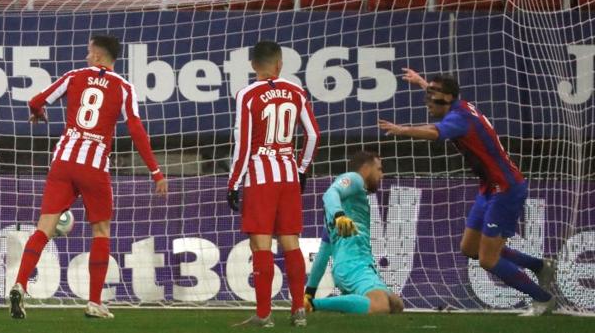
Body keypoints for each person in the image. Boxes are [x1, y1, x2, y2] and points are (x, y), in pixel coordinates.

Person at [9, 35, 168, 319]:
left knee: (43, 229)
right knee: (101, 231)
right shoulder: (124, 87)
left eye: (88, 52)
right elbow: (136, 130)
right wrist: (155, 171)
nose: (85, 57)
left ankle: (20, 283)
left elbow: (35, 100)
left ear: (97, 56)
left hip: (63, 161)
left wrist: (38, 113)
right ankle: (94, 302)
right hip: (94, 166)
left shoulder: (74, 76)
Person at [378, 68, 556, 316]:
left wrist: (402, 130)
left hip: (505, 189)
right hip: (489, 188)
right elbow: (441, 96)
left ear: (448, 98)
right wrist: (421, 82)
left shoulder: (459, 120)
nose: (428, 102)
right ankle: (540, 266)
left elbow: (434, 132)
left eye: (432, 97)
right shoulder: (458, 104)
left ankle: (543, 298)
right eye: (428, 95)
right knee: (470, 248)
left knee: (487, 260)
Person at [227, 40, 320, 327]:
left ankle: (264, 314)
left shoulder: (247, 94)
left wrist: (233, 183)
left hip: (260, 177)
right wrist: (302, 168)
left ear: (253, 65)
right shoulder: (296, 91)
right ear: (280, 64)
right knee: (291, 242)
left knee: (261, 244)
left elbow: (243, 145)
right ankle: (298, 311)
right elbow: (314, 135)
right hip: (289, 175)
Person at [303, 151, 404, 315]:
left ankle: (320, 302)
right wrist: (339, 215)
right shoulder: (355, 179)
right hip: (353, 265)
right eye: (379, 169)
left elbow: (323, 253)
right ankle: (315, 305)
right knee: (380, 306)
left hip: (355, 265)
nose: (382, 175)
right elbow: (330, 193)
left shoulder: (342, 211)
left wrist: (309, 292)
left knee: (396, 304)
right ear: (366, 167)